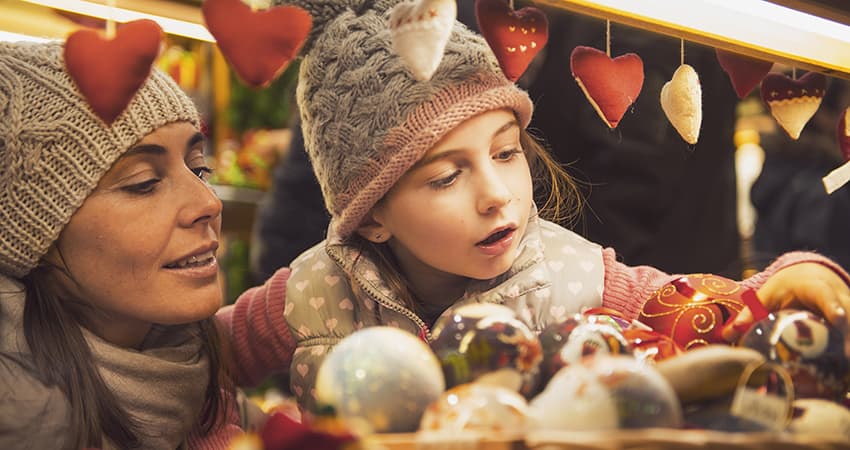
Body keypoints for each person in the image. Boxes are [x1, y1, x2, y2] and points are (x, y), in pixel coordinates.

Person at [226, 0, 850, 415]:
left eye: (505, 153)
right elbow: (189, 365)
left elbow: (696, 304)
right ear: (369, 215)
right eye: (446, 177)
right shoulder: (311, 291)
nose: (496, 194)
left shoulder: (575, 275)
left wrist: (784, 280)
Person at [0, 41, 280, 449]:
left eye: (199, 169)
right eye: (143, 183)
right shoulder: (26, 424)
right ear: (33, 234)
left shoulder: (204, 390)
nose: (208, 203)